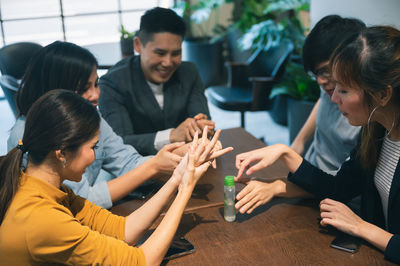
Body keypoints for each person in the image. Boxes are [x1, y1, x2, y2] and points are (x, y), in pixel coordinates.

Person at [0, 89, 231, 265]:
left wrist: (176, 179)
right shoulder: (42, 219)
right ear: (61, 153)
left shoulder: (45, 187)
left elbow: (123, 230)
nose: (95, 156)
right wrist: (186, 188)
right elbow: (143, 261)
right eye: (93, 147)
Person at [234, 26, 400, 264]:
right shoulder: (376, 132)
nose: (333, 98)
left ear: (383, 95)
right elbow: (338, 188)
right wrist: (284, 152)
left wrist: (361, 227)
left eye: (343, 90)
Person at [7, 41, 186, 209]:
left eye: (96, 84)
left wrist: (179, 154)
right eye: (84, 88)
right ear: (55, 89)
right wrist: (153, 166)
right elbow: (83, 199)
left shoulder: (86, 114)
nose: (95, 95)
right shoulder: (29, 134)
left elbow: (126, 161)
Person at [99, 7, 215, 156]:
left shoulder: (188, 72)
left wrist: (201, 125)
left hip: (186, 162)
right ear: (138, 45)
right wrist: (170, 136)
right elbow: (117, 144)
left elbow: (202, 121)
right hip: (136, 169)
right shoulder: (113, 82)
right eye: (160, 53)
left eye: (176, 53)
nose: (167, 62)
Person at [290, 15, 365, 174]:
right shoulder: (330, 84)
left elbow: (341, 186)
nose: (320, 81)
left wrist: (281, 187)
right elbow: (323, 102)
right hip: (310, 169)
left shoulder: (365, 117)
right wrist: (299, 142)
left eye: (325, 71)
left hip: (329, 188)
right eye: (316, 73)